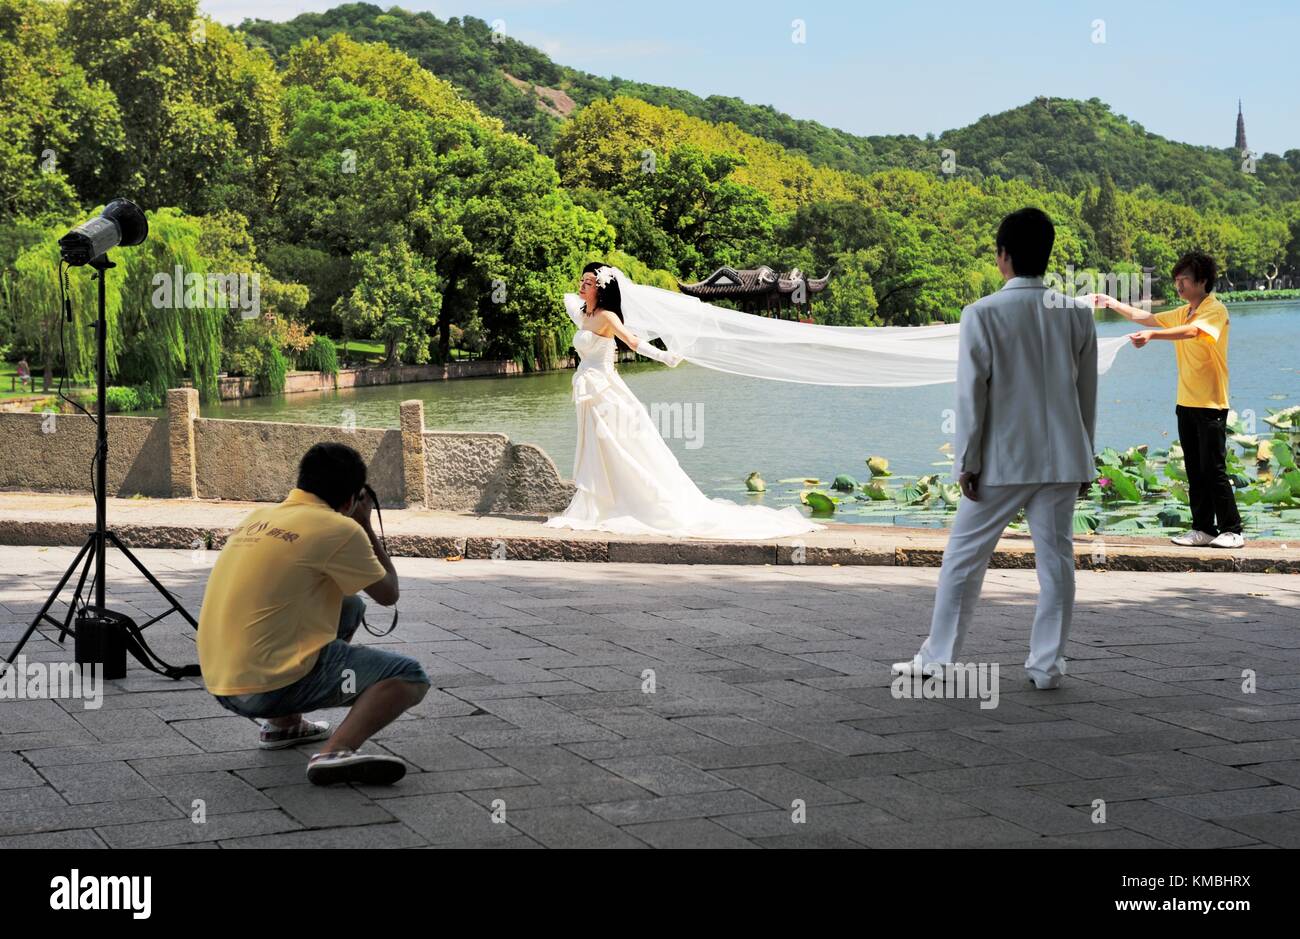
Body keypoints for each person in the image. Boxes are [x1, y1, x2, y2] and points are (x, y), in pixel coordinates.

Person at [893, 208, 1098, 690]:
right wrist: (1085, 454)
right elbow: (1085, 394)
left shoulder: (982, 313)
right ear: (1046, 255)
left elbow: (972, 395)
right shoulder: (1077, 314)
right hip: (1064, 458)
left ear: (1002, 255)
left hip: (1004, 460)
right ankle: (1046, 666)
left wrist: (967, 460)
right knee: (1056, 562)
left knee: (964, 559)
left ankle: (937, 660)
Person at [197, 443, 429, 786]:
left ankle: (283, 725)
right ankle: (335, 752)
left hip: (221, 683)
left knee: (350, 606)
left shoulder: (258, 518)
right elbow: (388, 593)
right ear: (351, 498)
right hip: (265, 687)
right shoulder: (340, 528)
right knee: (409, 677)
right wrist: (364, 524)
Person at [543, 262, 826, 539]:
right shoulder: (582, 313)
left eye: (588, 283)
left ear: (601, 289)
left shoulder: (607, 317)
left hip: (605, 389)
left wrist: (664, 356)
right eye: (582, 281)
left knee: (619, 444)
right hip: (587, 388)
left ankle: (631, 502)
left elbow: (632, 342)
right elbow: (573, 312)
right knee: (597, 445)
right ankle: (596, 504)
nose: (581, 286)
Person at [1088, 251, 1243, 548]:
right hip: (1186, 402)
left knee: (1214, 469)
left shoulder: (1214, 310)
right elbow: (1146, 317)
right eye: (1176, 280)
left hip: (1211, 404)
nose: (1179, 286)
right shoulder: (1184, 311)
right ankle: (1203, 529)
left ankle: (1232, 529)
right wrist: (1111, 302)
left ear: (1202, 281)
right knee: (1195, 469)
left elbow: (1193, 332)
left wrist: (1153, 338)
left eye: (1184, 280)